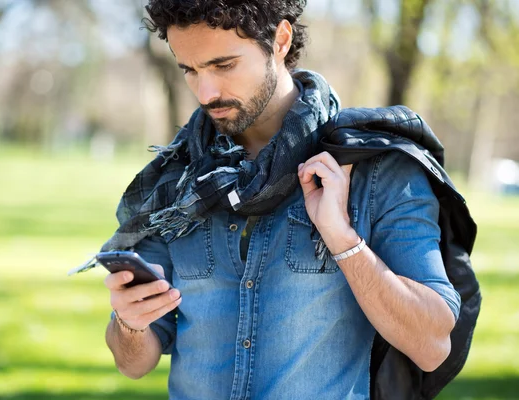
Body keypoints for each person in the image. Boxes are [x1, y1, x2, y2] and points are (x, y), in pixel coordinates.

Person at [102, 1, 461, 399]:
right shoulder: (176, 180)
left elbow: (432, 346)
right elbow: (133, 363)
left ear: (280, 40)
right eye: (190, 69)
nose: (205, 92)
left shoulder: (375, 169)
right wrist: (129, 324)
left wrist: (343, 241)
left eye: (224, 66)